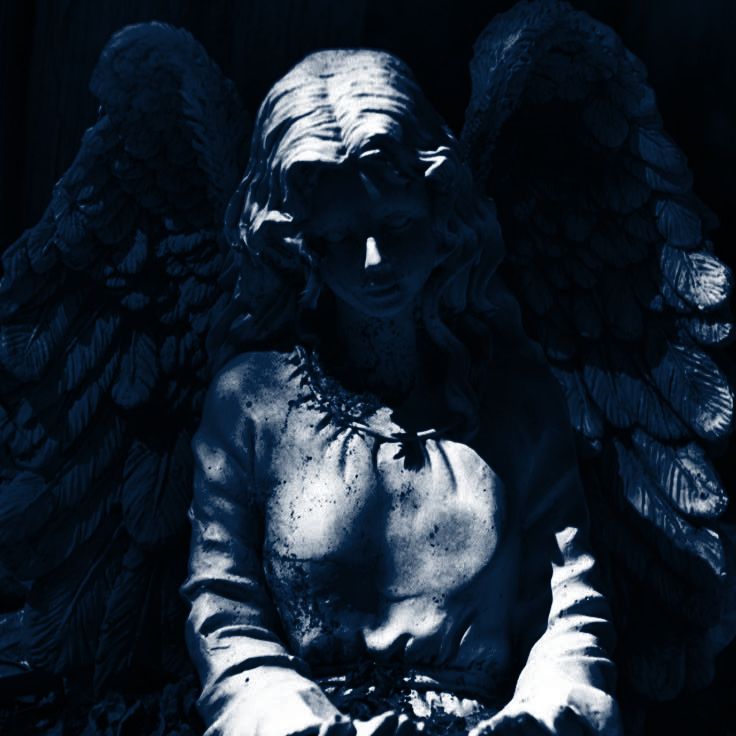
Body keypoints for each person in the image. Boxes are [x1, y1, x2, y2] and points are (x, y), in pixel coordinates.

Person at [180, 49, 622, 736]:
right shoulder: (252, 405)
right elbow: (225, 615)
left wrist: (537, 717)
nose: (375, 262)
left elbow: (570, 611)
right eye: (340, 237)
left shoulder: (515, 403)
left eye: (397, 226)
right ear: (300, 244)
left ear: (441, 214)